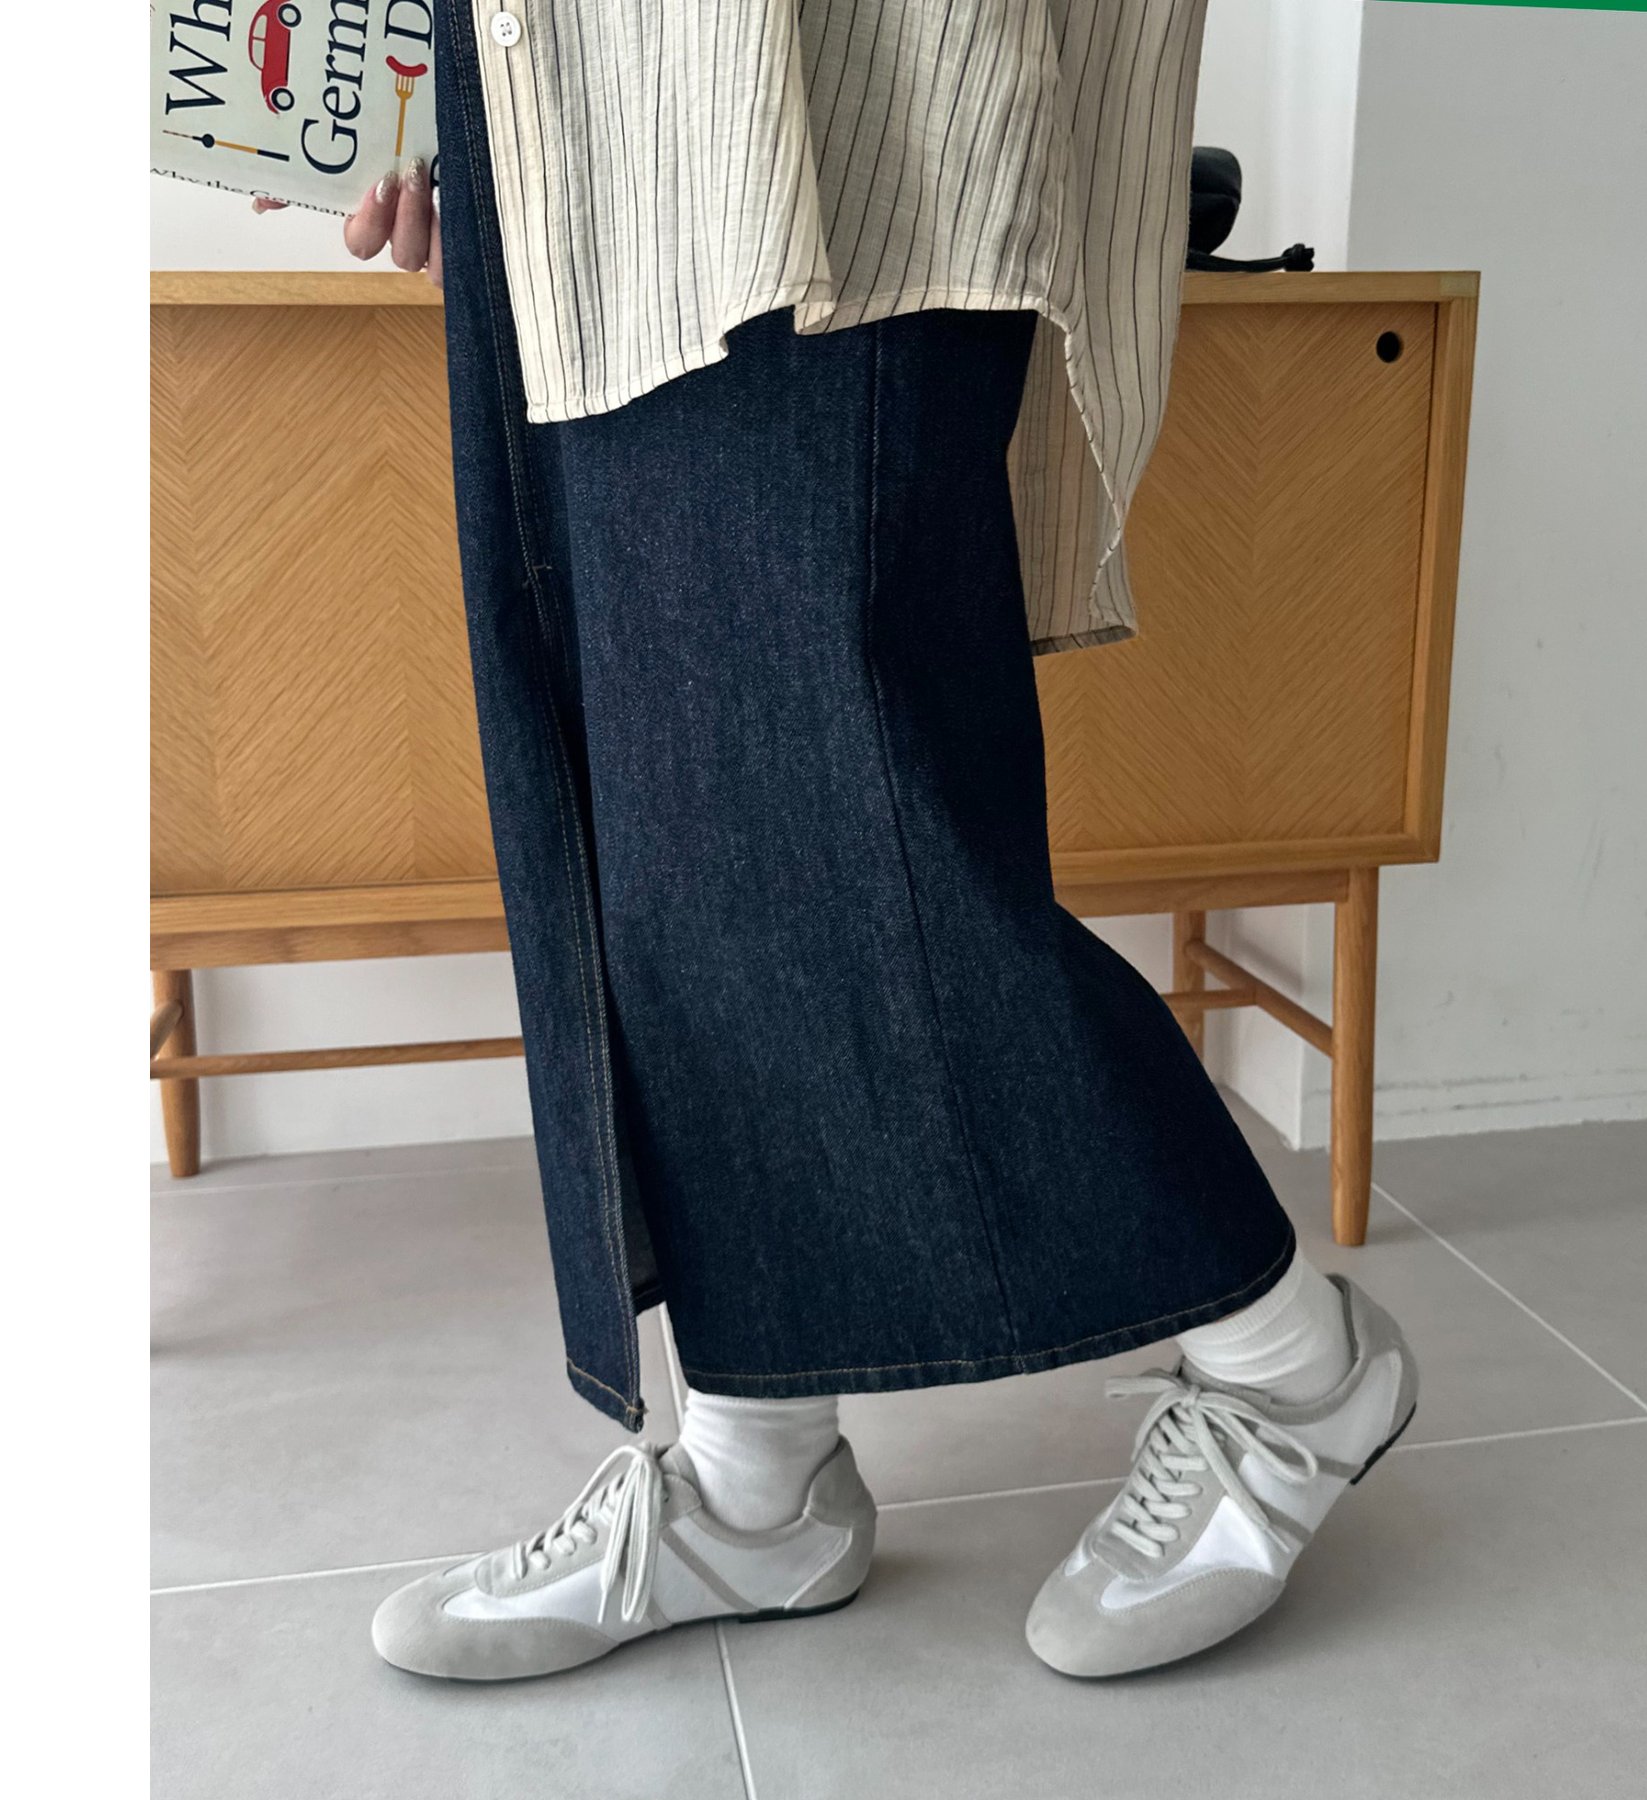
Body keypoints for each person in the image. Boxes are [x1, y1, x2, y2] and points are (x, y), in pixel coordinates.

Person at [259, 2, 1416, 1682]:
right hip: (571, 97)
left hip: (833, 85)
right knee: (665, 831)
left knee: (843, 810)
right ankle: (757, 1478)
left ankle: (1293, 1365)